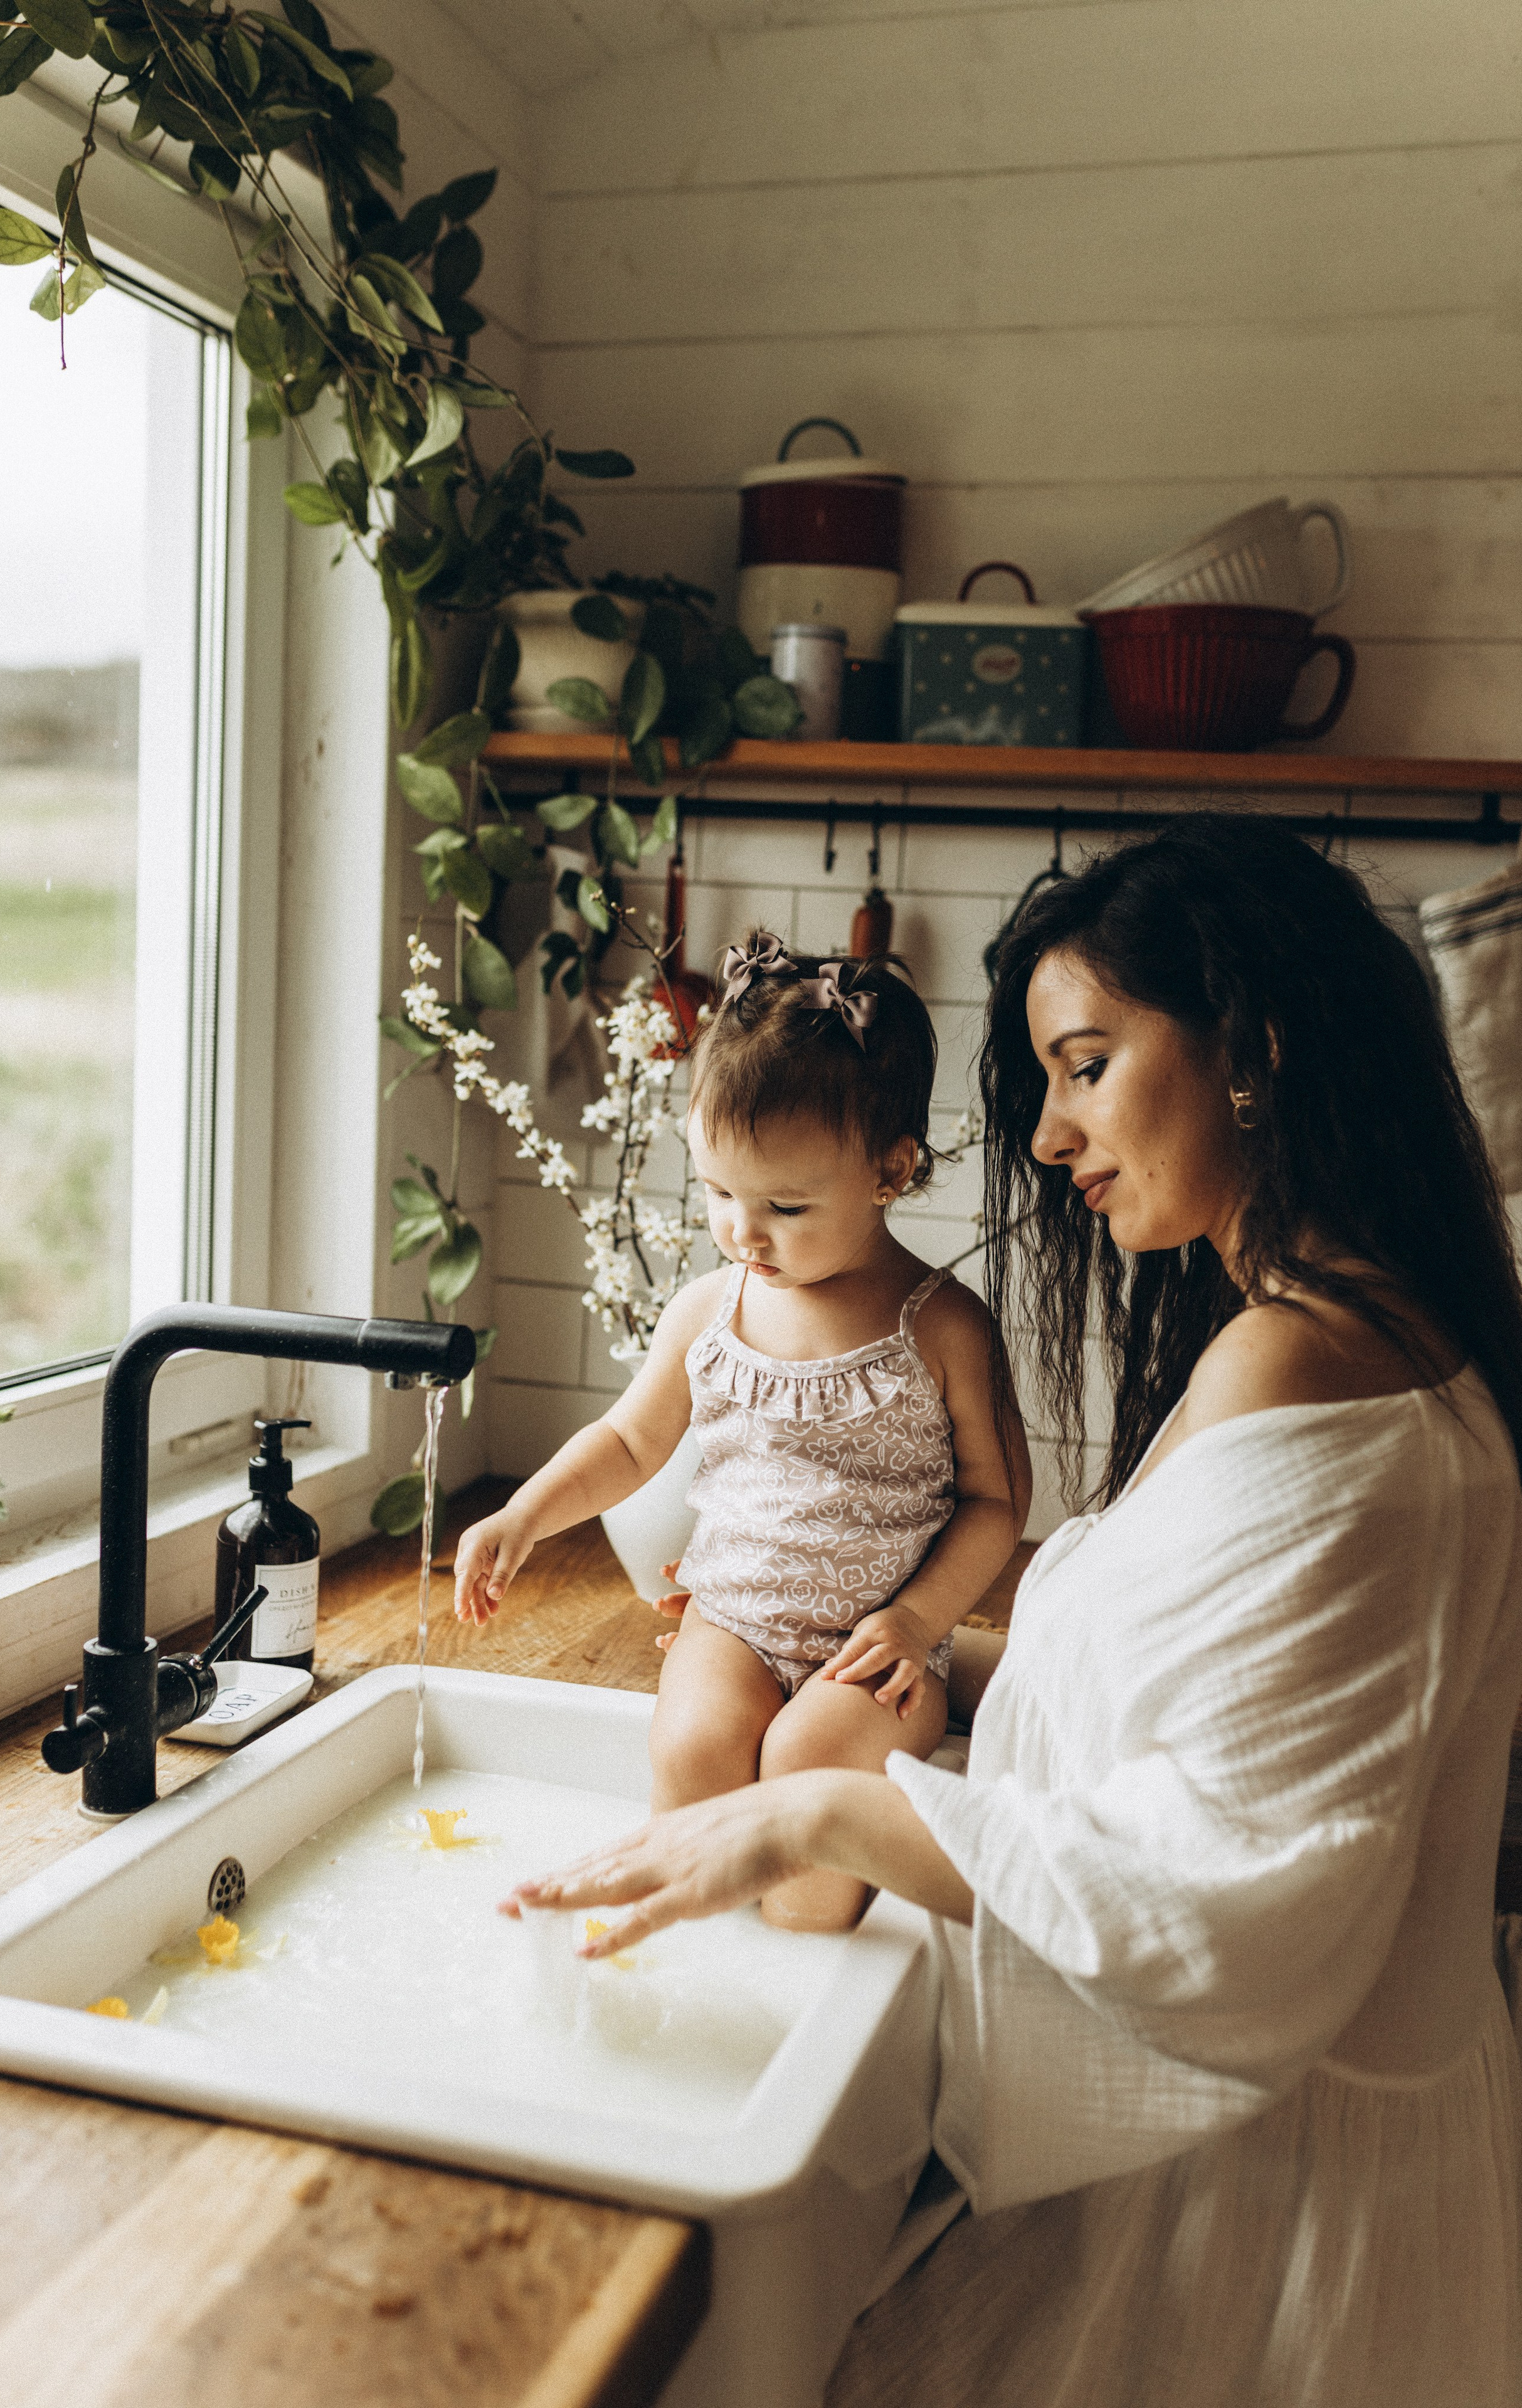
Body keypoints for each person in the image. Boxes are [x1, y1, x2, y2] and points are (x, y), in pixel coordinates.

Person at [502, 818, 1522, 2407]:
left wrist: (804, 1818)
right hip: (1261, 2145)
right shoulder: (1333, 1328)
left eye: (1086, 1066)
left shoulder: (1308, 1363)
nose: (1047, 1137)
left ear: (1251, 1050)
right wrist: (906, 1650)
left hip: (1272, 2208)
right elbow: (1202, 1685)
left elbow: (1232, 1898)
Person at [455, 931, 1029, 1931]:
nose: (742, 1231)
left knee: (811, 1766)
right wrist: (524, 1516)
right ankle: (695, 1959)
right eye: (719, 1192)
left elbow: (996, 1502)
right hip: (732, 1624)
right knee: (693, 1749)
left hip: (875, 1651)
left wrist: (916, 1623)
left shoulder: (940, 1327)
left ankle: (811, 1951)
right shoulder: (708, 1312)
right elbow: (628, 1444)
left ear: (892, 1170)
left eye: (786, 1206)